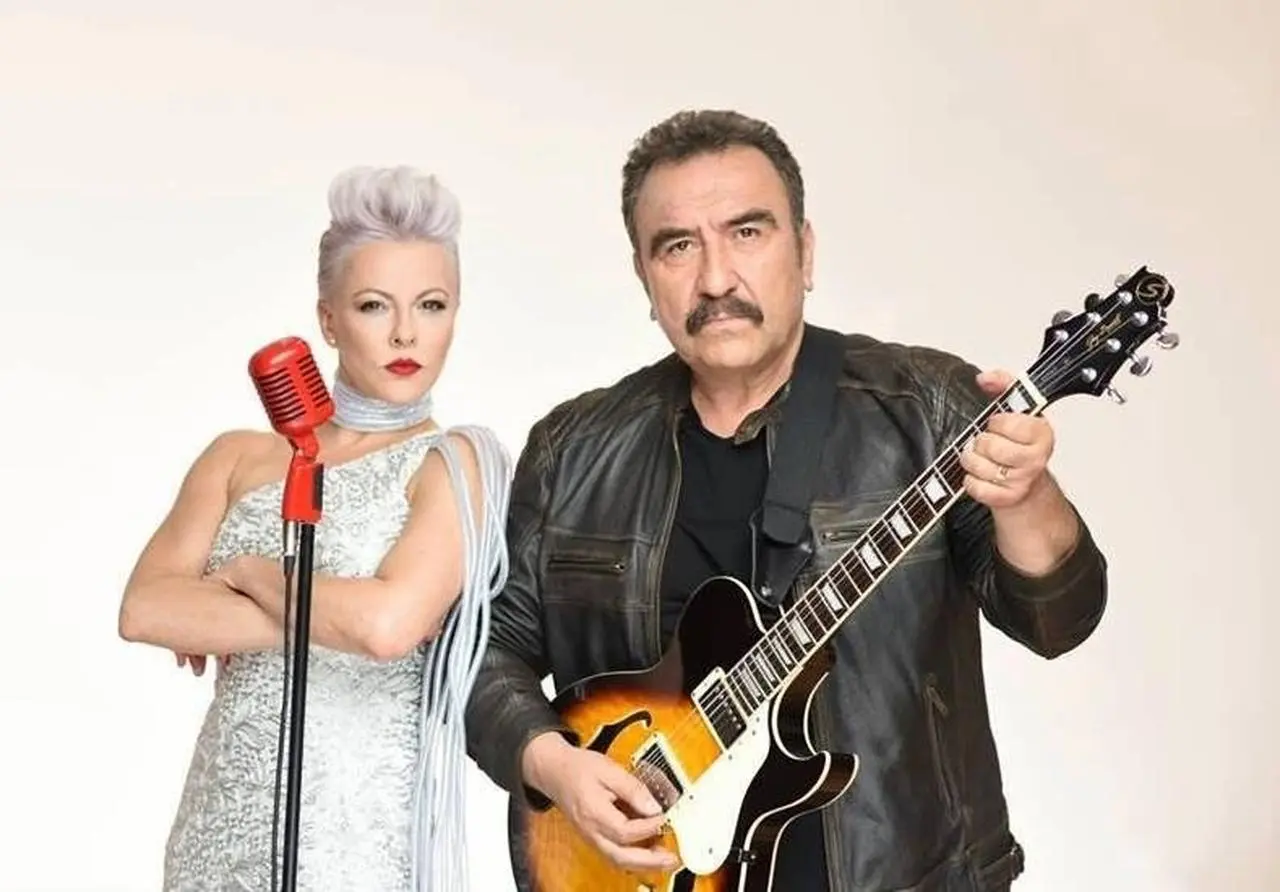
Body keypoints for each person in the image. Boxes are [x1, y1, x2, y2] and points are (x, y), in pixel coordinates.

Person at [464, 109, 1109, 892]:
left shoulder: (927, 408)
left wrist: (1027, 495)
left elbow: (1058, 621)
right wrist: (552, 764)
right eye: (677, 246)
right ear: (644, 277)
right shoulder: (574, 450)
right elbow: (481, 655)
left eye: (747, 232)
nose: (715, 279)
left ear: (805, 252)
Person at [118, 165, 512, 892]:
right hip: (222, 823)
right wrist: (336, 615)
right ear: (329, 320)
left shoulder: (457, 465)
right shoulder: (238, 456)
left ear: (456, 315)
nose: (405, 332)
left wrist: (245, 578)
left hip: (355, 840)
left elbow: (387, 628)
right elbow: (144, 609)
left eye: (431, 305)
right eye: (373, 305)